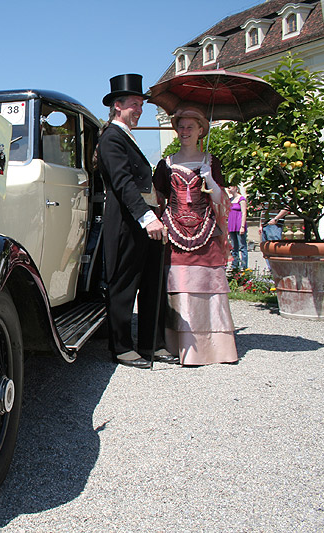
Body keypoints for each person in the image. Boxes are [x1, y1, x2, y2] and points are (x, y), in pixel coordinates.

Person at [95, 73, 175, 368]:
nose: (139, 109)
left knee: (153, 281)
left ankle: (153, 343)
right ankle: (122, 347)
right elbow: (123, 183)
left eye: (141, 104)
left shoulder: (127, 137)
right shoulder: (111, 138)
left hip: (147, 217)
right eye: (134, 104)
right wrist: (147, 217)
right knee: (124, 283)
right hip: (129, 221)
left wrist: (157, 205)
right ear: (117, 106)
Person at [153, 106, 238, 366]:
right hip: (175, 232)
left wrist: (209, 179)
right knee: (179, 286)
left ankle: (215, 349)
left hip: (206, 232)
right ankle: (182, 347)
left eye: (190, 127)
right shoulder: (165, 164)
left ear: (201, 131)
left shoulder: (211, 162)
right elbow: (157, 200)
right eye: (181, 126)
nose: (184, 131)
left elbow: (223, 199)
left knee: (208, 286)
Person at [227, 185, 248, 270]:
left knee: (242, 246)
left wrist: (242, 226)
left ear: (235, 188)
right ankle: (235, 265)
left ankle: (244, 266)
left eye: (230, 187)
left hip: (239, 224)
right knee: (233, 247)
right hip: (232, 225)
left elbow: (244, 213)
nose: (229, 189)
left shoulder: (241, 199)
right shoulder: (230, 200)